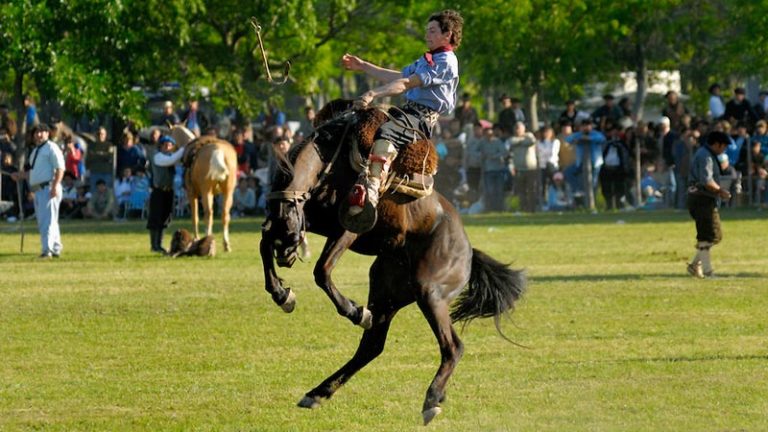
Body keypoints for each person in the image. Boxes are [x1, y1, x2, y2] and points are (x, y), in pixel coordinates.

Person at [340, 9, 463, 225]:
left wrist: (373, 93)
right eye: (427, 31)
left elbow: (406, 84)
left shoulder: (447, 61)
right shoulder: (427, 59)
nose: (427, 35)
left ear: (448, 34)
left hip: (421, 119)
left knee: (386, 132)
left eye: (432, 31)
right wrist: (363, 66)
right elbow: (398, 77)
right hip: (407, 112)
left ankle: (371, 193)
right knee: (361, 121)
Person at [12, 123, 65, 258]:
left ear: (48, 134)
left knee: (46, 221)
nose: (39, 134)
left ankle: (47, 250)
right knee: (49, 220)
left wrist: (54, 187)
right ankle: (56, 247)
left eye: (42, 132)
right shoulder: (36, 151)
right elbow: (33, 172)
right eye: (36, 132)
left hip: (49, 187)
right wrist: (19, 175)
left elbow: (60, 168)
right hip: (39, 190)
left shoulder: (52, 148)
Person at [686, 131, 732, 278]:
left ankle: (694, 265)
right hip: (702, 199)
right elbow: (707, 181)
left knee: (712, 235)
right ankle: (707, 271)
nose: (724, 149)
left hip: (702, 199)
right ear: (716, 144)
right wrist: (721, 191)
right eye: (723, 146)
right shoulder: (706, 156)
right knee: (707, 236)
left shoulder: (705, 154)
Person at [147, 135, 185, 253]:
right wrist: (184, 148)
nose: (168, 147)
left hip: (169, 191)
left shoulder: (170, 156)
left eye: (170, 145)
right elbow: (171, 160)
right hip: (158, 191)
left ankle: (159, 244)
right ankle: (154, 245)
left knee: (165, 218)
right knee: (156, 218)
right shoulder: (157, 156)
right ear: (161, 146)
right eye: (166, 145)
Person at [508, 121, 538, 212]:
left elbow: (532, 141)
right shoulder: (512, 139)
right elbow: (512, 142)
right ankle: (523, 208)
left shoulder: (529, 135)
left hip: (531, 169)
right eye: (516, 128)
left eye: (519, 128)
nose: (517, 130)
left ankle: (532, 209)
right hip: (519, 169)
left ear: (524, 129)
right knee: (521, 191)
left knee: (531, 189)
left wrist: (521, 141)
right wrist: (522, 141)